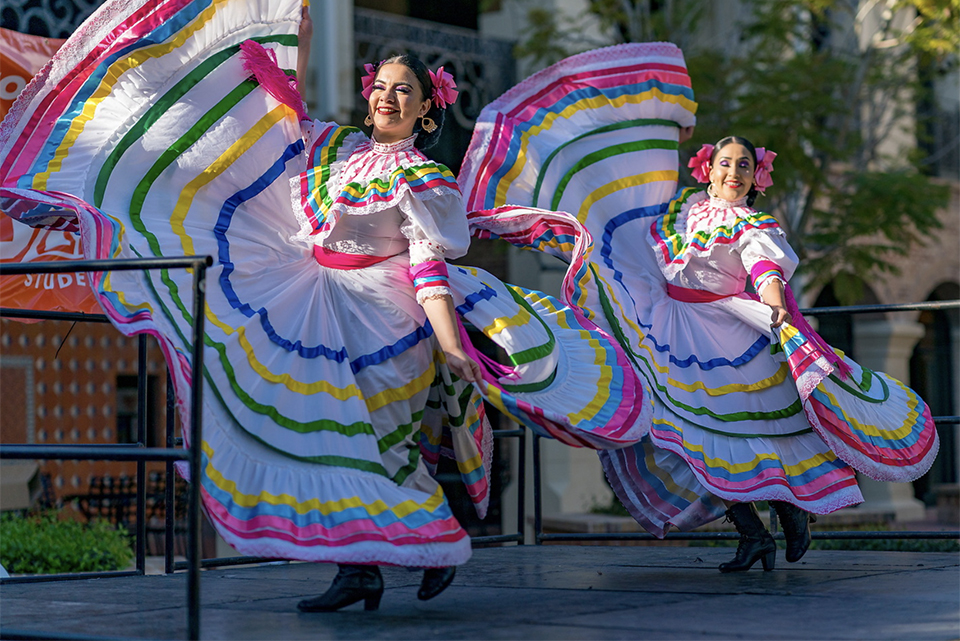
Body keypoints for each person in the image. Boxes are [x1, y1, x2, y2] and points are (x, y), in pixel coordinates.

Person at [0, 0, 647, 610]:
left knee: (378, 451)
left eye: (405, 91)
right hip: (317, 300)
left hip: (385, 319)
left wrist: (450, 342)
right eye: (382, 86)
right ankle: (362, 567)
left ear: (425, 112)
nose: (388, 97)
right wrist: (298, 36)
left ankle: (426, 543)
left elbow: (427, 262)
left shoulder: (421, 176)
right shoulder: (338, 156)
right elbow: (287, 122)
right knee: (329, 440)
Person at [461, 48, 939, 573]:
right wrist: (669, 131)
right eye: (726, 163)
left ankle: (790, 509)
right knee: (690, 439)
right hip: (671, 327)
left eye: (745, 166)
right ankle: (753, 532)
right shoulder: (685, 207)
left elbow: (766, 271)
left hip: (730, 337)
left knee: (747, 435)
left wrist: (776, 306)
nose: (734, 172)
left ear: (757, 176)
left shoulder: (755, 225)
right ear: (708, 170)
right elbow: (642, 214)